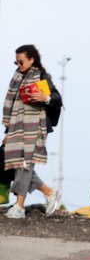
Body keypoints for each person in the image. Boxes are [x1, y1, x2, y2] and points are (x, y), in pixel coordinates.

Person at [3, 45, 62, 219]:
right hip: (17, 130)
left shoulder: (41, 78)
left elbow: (58, 100)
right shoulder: (17, 78)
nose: (18, 65)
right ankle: (50, 193)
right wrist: (8, 133)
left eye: (21, 61)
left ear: (31, 60)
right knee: (17, 165)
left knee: (25, 165)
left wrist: (46, 98)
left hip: (35, 129)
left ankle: (19, 207)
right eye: (16, 61)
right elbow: (14, 108)